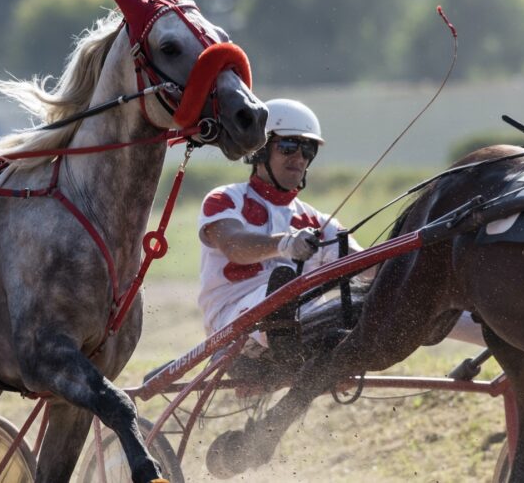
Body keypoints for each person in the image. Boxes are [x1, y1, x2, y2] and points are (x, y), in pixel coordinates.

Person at [196, 98, 484, 358]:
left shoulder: (319, 223)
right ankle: (293, 335)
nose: (299, 157)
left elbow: (373, 271)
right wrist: (283, 244)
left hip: (304, 322)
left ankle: (494, 327)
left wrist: (444, 284)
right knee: (284, 294)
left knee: (399, 295)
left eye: (307, 149)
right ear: (259, 151)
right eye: (288, 146)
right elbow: (234, 245)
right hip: (232, 324)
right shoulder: (225, 199)